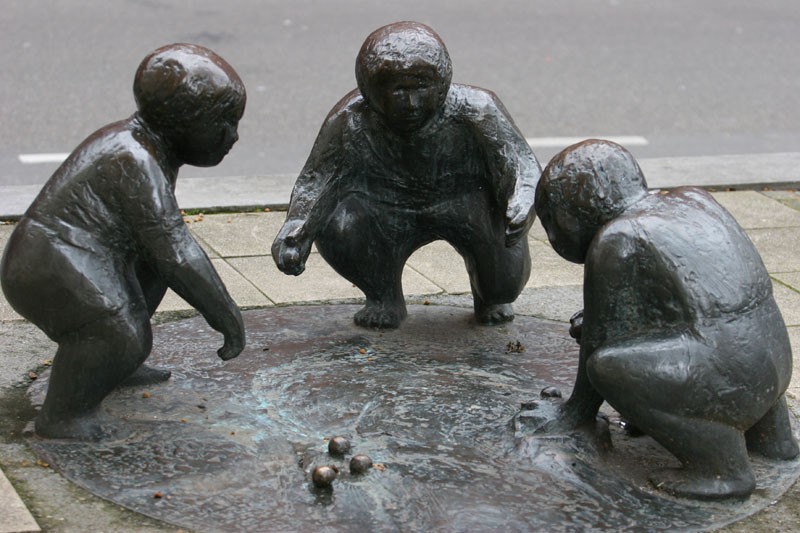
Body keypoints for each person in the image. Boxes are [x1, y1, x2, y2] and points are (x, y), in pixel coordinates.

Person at [0, 43, 247, 440]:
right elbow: (179, 252)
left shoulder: (148, 146)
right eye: (223, 122)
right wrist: (226, 316)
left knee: (152, 267)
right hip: (45, 264)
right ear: (183, 123)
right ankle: (64, 414)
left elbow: (165, 250)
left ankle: (118, 364)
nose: (232, 136)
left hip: (78, 254)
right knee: (118, 329)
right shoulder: (134, 157)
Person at [535, 139, 798, 499]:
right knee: (730, 334)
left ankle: (722, 469)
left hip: (726, 375)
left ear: (568, 212)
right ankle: (775, 441)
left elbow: (599, 338)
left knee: (608, 366)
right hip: (773, 360)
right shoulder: (693, 200)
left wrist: (574, 414)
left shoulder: (616, 239)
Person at [272, 21, 541, 329]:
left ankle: (490, 295)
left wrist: (521, 200)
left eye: (422, 88)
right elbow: (317, 181)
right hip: (384, 208)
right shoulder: (350, 120)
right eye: (399, 90)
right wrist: (296, 231)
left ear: (441, 83)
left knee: (503, 283)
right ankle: (382, 296)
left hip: (467, 203)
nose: (411, 104)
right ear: (373, 90)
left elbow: (520, 164)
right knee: (339, 223)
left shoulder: (478, 110)